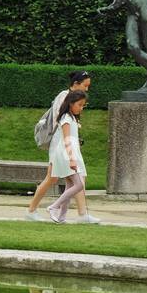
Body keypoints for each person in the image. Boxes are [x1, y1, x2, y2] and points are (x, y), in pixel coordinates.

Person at [28, 70, 98, 222]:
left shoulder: (75, 100)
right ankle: (35, 210)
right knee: (53, 178)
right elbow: (59, 122)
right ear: (75, 84)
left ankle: (80, 214)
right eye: (85, 85)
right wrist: (69, 144)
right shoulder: (64, 97)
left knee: (73, 179)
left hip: (65, 145)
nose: (87, 89)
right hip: (60, 145)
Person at [46, 90, 90, 223]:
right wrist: (71, 159)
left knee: (70, 186)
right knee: (79, 184)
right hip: (66, 154)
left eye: (83, 105)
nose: (81, 108)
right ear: (71, 103)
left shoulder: (71, 118)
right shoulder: (66, 118)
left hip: (69, 153)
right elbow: (66, 140)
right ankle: (54, 207)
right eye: (79, 105)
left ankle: (61, 217)